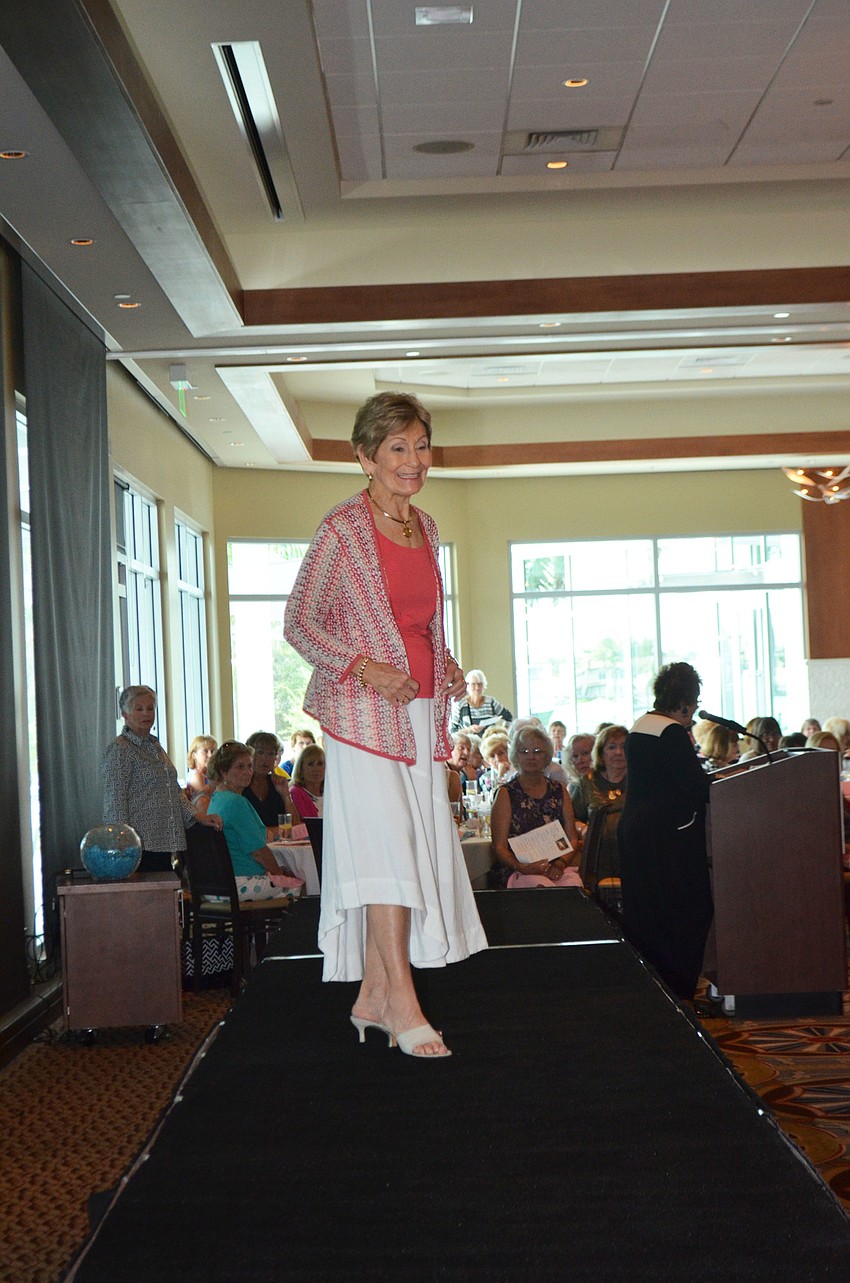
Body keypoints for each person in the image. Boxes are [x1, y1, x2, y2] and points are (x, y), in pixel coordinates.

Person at [284, 390, 486, 1058]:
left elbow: (420, 625)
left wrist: (448, 667)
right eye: (397, 447)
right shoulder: (342, 529)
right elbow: (299, 623)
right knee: (390, 850)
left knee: (407, 847)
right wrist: (366, 669)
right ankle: (401, 999)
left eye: (421, 445)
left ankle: (373, 992)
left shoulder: (424, 529)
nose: (413, 460)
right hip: (362, 721)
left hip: (422, 721)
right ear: (365, 456)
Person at [617, 661, 712, 1001]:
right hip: (668, 840)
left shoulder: (642, 726)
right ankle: (680, 991)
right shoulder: (671, 733)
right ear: (684, 700)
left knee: (649, 917)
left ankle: (659, 993)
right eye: (695, 701)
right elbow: (694, 787)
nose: (696, 708)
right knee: (688, 914)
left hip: (640, 835)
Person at [101, 685, 222, 873]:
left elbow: (173, 791)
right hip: (138, 846)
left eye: (150, 708)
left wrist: (199, 817)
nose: (146, 714)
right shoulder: (121, 749)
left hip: (163, 841)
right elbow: (115, 801)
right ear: (125, 714)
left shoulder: (154, 746)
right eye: (139, 708)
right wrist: (122, 845)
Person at [490, 721, 581, 889]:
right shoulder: (505, 794)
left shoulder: (559, 790)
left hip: (557, 866)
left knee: (574, 887)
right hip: (517, 869)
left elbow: (572, 838)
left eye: (537, 751)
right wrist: (523, 867)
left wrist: (560, 864)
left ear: (546, 756)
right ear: (515, 756)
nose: (531, 757)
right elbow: (499, 846)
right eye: (524, 751)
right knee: (542, 887)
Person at [206, 741, 298, 900]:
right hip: (238, 883)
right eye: (240, 767)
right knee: (302, 888)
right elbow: (259, 852)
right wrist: (279, 874)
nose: (248, 772)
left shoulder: (217, 798)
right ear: (223, 771)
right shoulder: (236, 802)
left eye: (249, 766)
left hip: (216, 884)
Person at [569, 725, 628, 883]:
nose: (618, 752)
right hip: (597, 854)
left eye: (624, 746)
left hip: (633, 852)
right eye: (612, 747)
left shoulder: (641, 781)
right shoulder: (586, 783)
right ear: (601, 752)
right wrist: (582, 829)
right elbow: (570, 819)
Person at [243, 731, 301, 831]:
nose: (265, 759)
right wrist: (276, 831)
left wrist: (285, 795)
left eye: (271, 754)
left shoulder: (277, 783)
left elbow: (295, 826)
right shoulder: (241, 784)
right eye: (260, 752)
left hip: (280, 844)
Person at [450, 670, 513, 734]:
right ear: (467, 685)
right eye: (473, 684)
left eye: (480, 684)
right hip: (469, 742)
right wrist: (469, 730)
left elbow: (509, 717)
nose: (477, 688)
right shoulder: (460, 704)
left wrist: (503, 733)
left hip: (488, 742)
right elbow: (452, 731)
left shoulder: (491, 702)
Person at [289, 743, 325, 819]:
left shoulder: (331, 792)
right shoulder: (296, 793)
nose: (316, 769)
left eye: (320, 764)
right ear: (301, 769)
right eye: (310, 764)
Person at [186, 734, 216, 809]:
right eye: (205, 751)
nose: (210, 755)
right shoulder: (196, 775)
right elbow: (205, 797)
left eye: (212, 751)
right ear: (194, 755)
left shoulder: (209, 774)